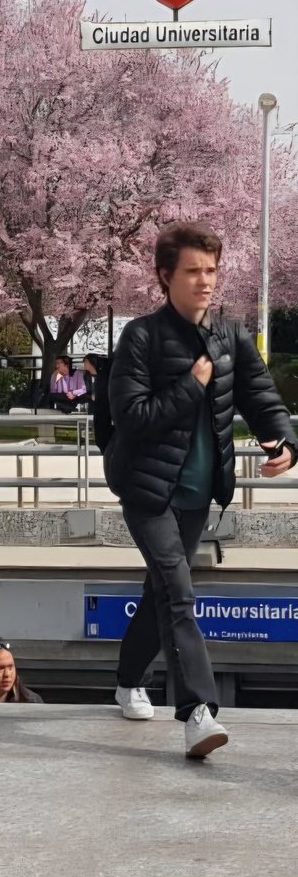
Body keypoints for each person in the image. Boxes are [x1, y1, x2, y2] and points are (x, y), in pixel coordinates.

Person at [106, 220, 298, 757]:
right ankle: (197, 712)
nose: (205, 281)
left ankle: (126, 680)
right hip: (147, 491)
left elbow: (262, 397)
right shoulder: (140, 337)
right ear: (165, 276)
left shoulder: (231, 336)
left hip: (198, 494)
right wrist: (192, 385)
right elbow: (133, 417)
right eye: (192, 271)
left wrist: (282, 439)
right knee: (179, 592)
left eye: (211, 270)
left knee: (161, 593)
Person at [82, 353, 112, 450]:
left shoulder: (104, 374)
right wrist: (90, 396)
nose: (84, 364)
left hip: (104, 407)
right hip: (93, 406)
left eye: (85, 362)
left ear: (90, 362)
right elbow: (83, 391)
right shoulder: (86, 376)